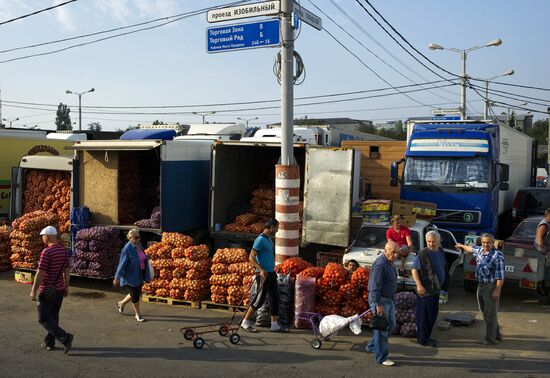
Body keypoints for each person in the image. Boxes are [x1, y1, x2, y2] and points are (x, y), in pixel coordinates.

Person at [30, 226, 73, 354]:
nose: (42, 238)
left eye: (43, 236)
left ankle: (65, 337)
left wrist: (33, 291)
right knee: (53, 317)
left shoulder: (46, 252)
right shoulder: (64, 251)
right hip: (59, 289)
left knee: (43, 318)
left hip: (47, 290)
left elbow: (40, 273)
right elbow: (67, 270)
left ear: (47, 237)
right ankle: (50, 342)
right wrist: (66, 286)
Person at [456, 233, 505, 345]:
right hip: (481, 285)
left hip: (490, 286)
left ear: (493, 243)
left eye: (488, 243)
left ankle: (490, 339)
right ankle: (496, 335)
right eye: (483, 242)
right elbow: (471, 248)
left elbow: (500, 276)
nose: (486, 245)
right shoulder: (480, 251)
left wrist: (497, 290)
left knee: (489, 315)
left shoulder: (498, 256)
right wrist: (461, 246)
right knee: (486, 312)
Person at [241, 218, 287, 333]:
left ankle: (274, 324)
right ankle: (245, 321)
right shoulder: (260, 240)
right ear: (271, 227)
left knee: (274, 298)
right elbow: (251, 257)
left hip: (271, 273)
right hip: (262, 274)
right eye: (276, 227)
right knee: (259, 299)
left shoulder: (268, 239)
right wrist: (260, 269)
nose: (277, 230)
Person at [366, 241, 399, 366]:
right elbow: (374, 287)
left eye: (397, 252)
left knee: (391, 324)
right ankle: (382, 357)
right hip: (380, 300)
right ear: (385, 251)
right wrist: (378, 305)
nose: (396, 255)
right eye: (393, 252)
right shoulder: (380, 265)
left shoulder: (390, 262)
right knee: (382, 330)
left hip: (388, 299)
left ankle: (372, 346)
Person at [411, 230, 446, 347]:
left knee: (433, 314)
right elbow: (414, 269)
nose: (431, 244)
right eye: (429, 241)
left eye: (433, 241)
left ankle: (427, 336)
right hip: (426, 289)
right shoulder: (422, 254)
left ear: (438, 241)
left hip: (436, 289)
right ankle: (423, 339)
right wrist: (419, 285)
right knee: (424, 316)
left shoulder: (440, 251)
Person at [114, 229, 152, 322]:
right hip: (131, 275)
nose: (138, 239)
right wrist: (117, 277)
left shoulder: (139, 245)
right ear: (130, 238)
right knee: (135, 295)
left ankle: (121, 303)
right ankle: (138, 314)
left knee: (136, 292)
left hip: (141, 273)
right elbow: (121, 264)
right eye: (136, 237)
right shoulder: (127, 249)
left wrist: (148, 257)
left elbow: (142, 257)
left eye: (138, 237)